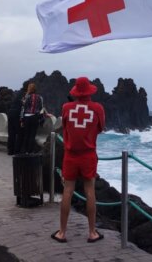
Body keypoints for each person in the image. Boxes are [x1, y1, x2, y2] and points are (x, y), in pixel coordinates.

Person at [51, 77, 105, 243]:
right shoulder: (97, 108)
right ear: (89, 91)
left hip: (71, 155)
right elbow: (101, 128)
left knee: (67, 191)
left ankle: (62, 232)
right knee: (90, 191)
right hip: (88, 155)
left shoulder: (66, 107)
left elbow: (66, 127)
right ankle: (91, 233)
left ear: (76, 92)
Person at [19, 83, 45, 153]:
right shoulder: (40, 97)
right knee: (32, 135)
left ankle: (24, 151)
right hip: (35, 117)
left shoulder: (26, 97)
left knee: (26, 134)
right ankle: (30, 151)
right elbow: (41, 109)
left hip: (26, 117)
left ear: (29, 89)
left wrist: (21, 120)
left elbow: (23, 109)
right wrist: (41, 119)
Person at [6, 91, 24, 155]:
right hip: (16, 115)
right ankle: (17, 151)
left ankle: (10, 151)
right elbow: (22, 111)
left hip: (10, 115)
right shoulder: (21, 102)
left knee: (11, 134)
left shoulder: (14, 101)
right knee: (19, 133)